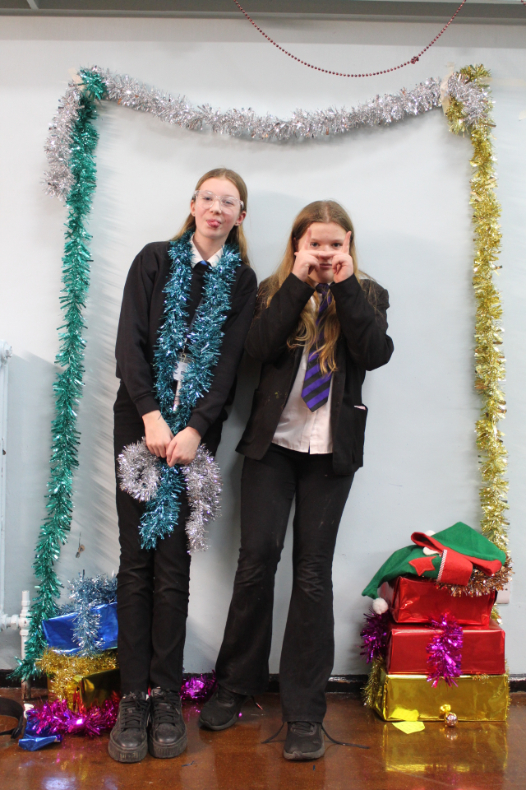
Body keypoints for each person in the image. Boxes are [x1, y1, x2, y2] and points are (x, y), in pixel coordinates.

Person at [199, 200, 394, 761]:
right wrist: (299, 285)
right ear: (297, 244)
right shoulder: (272, 290)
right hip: (272, 449)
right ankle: (235, 685)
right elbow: (256, 350)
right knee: (255, 562)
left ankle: (305, 712)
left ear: (348, 246)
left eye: (336, 244)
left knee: (312, 575)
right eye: (315, 243)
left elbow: (375, 354)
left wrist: (345, 287)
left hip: (330, 455)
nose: (326, 253)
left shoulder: (368, 293)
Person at [109, 168, 257, 763]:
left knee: (173, 564)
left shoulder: (241, 281)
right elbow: (129, 344)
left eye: (230, 202)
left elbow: (229, 365)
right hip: (139, 423)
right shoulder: (154, 260)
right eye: (209, 198)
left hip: (196, 433)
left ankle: (166, 695)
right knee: (136, 562)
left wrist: (195, 428)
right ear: (193, 204)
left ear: (240, 216)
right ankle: (132, 699)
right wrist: (151, 415)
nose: (217, 208)